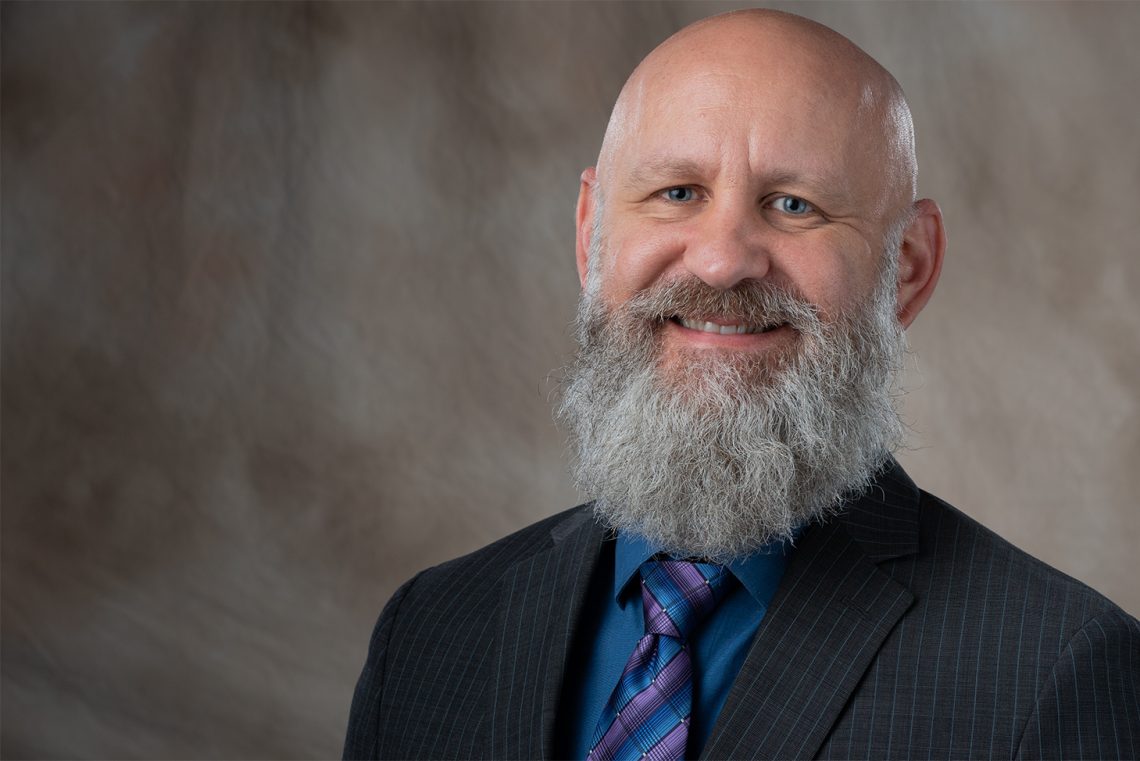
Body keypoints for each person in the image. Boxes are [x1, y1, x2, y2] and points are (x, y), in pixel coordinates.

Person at [343, 10, 1139, 760]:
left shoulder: (1055, 671)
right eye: (677, 193)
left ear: (906, 267)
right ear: (591, 236)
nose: (723, 260)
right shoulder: (431, 629)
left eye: (794, 205)